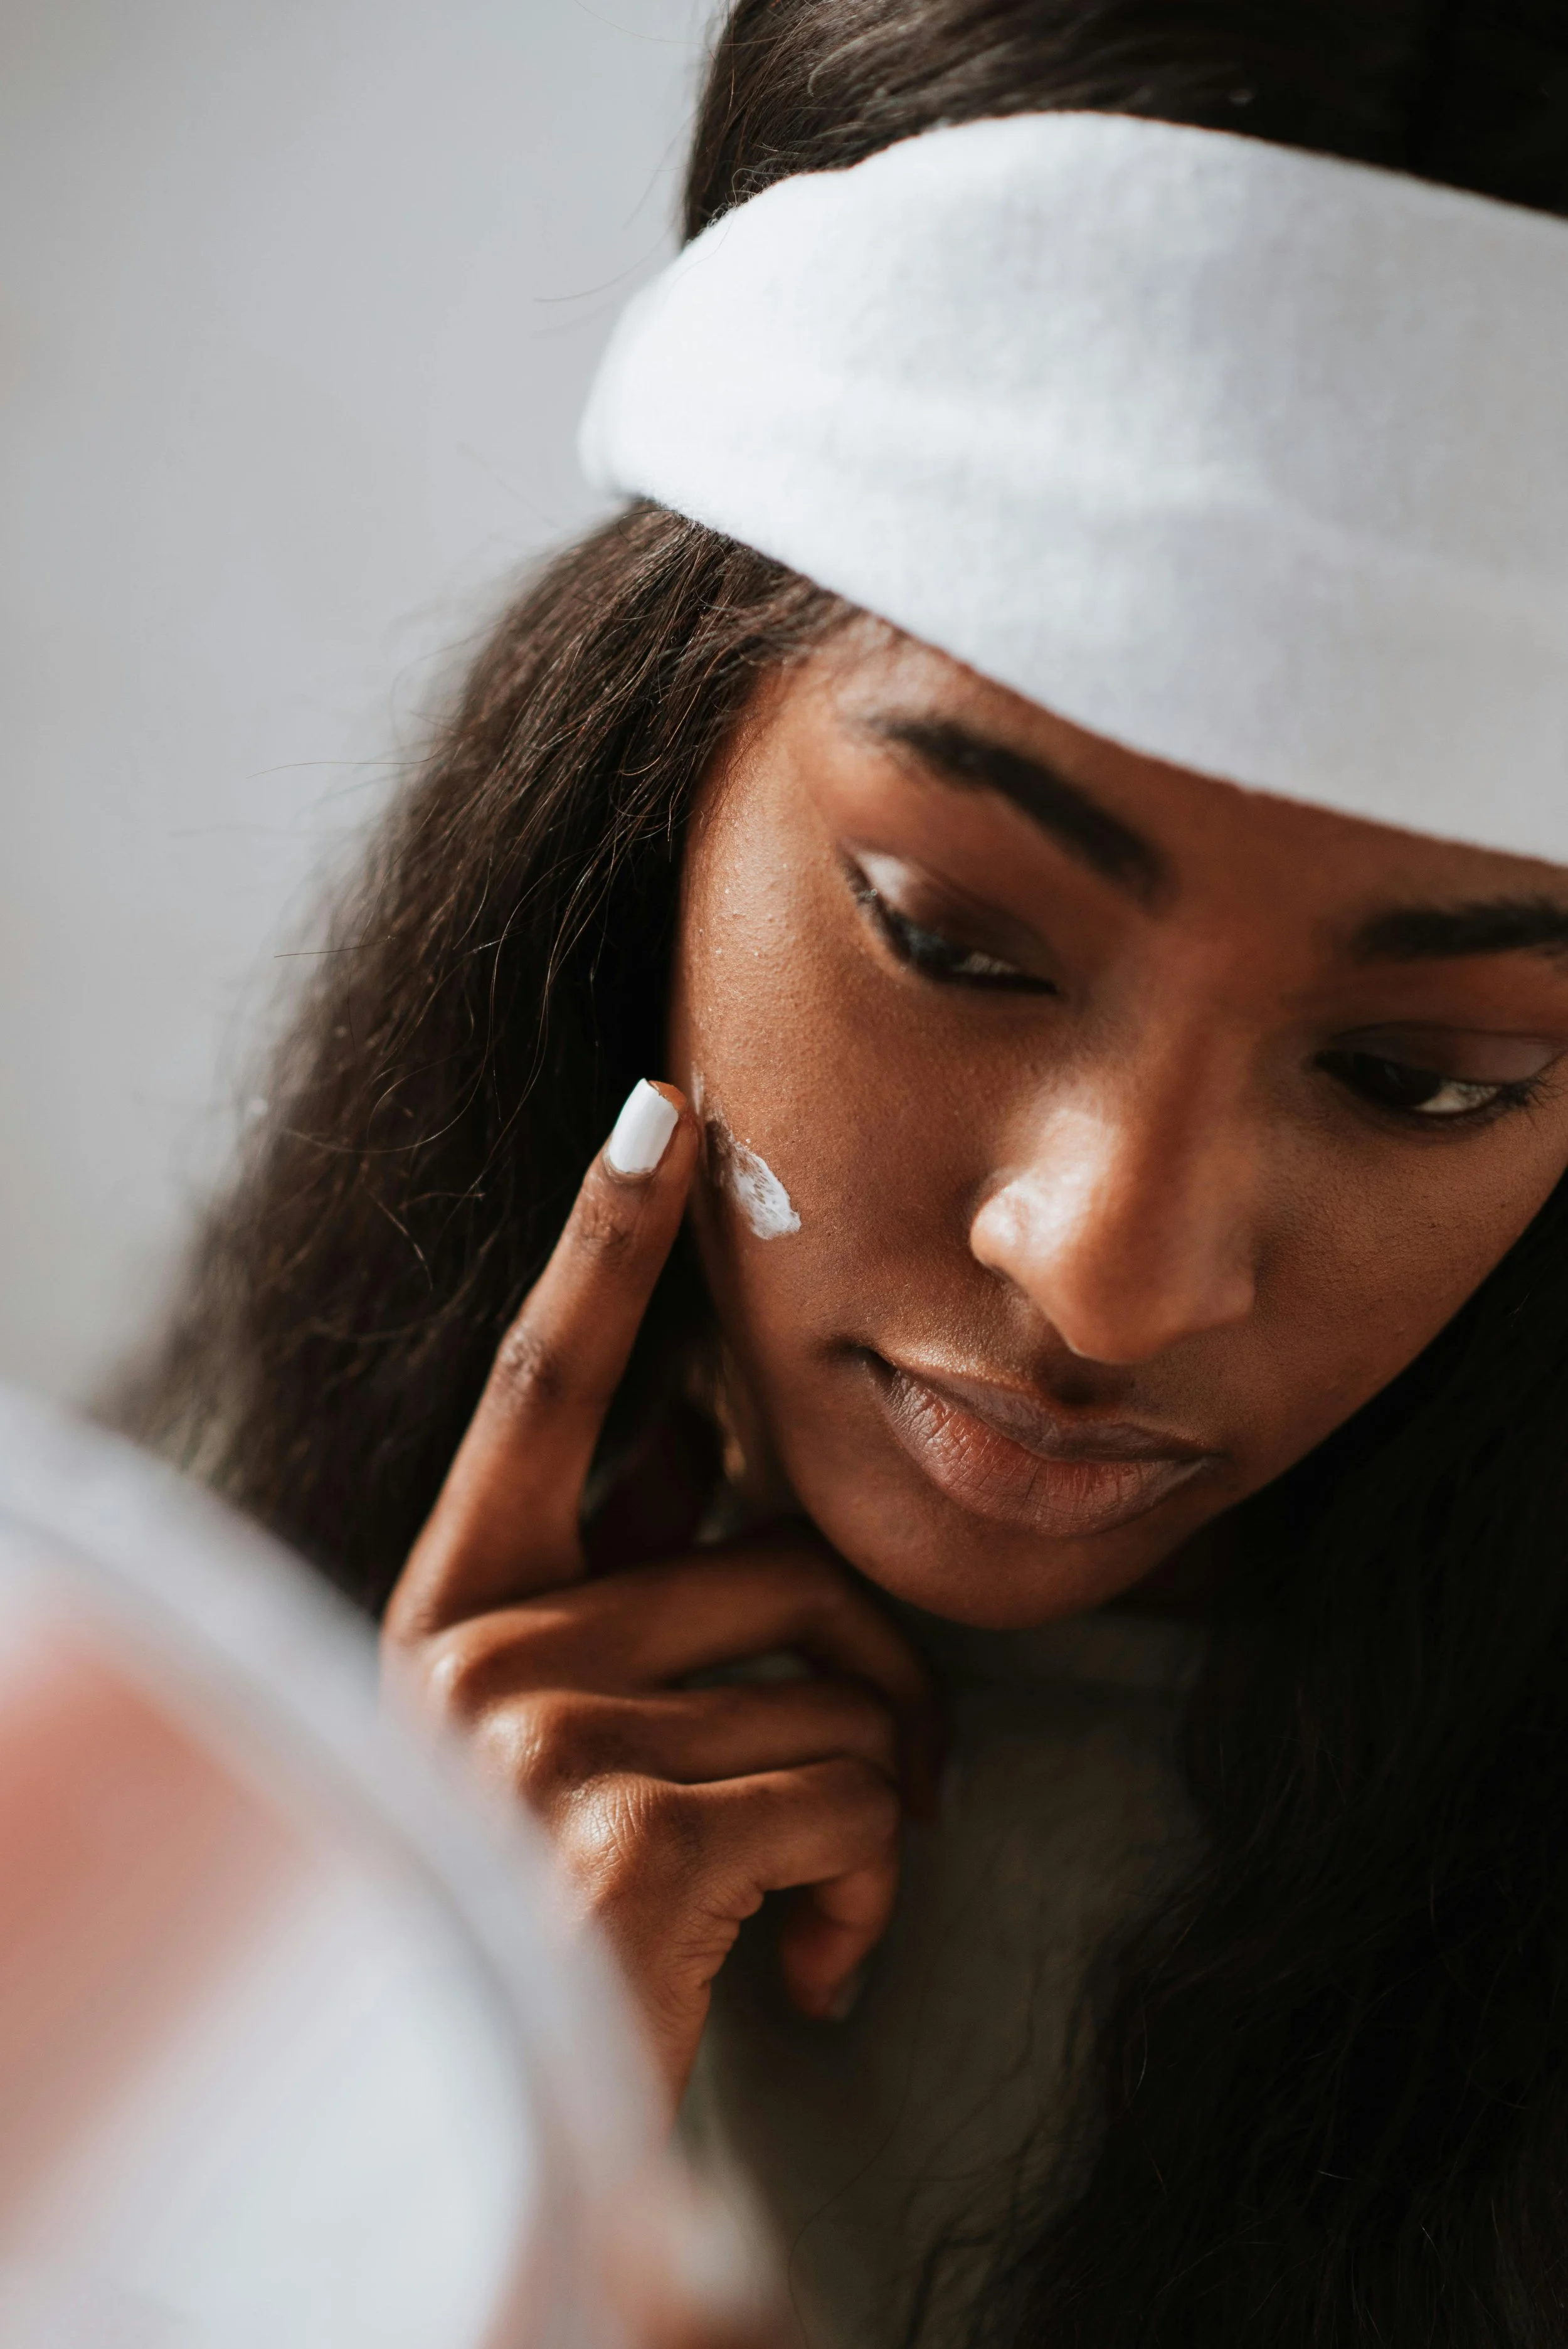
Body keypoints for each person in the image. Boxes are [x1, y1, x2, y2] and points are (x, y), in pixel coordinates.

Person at [127, 3, 1568, 2342]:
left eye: (1422, 1077)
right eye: (953, 941)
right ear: (650, 777)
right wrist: (406, 2112)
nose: (1103, 1273)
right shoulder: (164, 1693)